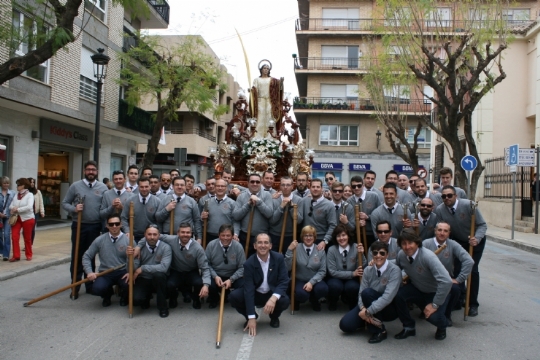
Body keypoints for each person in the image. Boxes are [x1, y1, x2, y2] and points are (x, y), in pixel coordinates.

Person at [434, 185, 487, 317]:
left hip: (474, 241)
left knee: (472, 270)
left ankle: (473, 304)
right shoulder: (440, 210)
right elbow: (443, 229)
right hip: (458, 241)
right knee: (457, 270)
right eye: (444, 196)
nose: (447, 198)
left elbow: (482, 224)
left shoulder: (469, 205)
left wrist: (477, 238)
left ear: (456, 196)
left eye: (449, 195)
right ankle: (459, 298)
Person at [393, 229, 452, 341]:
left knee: (433, 317)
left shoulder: (428, 257)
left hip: (435, 292)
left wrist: (434, 305)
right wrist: (379, 262)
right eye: (403, 243)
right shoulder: (401, 255)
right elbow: (395, 267)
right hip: (418, 289)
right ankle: (408, 326)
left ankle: (442, 326)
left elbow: (446, 281)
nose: (407, 247)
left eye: (410, 243)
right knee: (398, 295)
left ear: (417, 243)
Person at [136, 222, 210, 309]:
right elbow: (152, 236)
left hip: (191, 271)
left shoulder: (198, 248)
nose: (185, 235)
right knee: (170, 284)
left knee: (199, 283)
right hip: (176, 270)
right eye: (182, 232)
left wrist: (206, 285)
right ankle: (173, 298)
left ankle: (196, 299)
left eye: (188, 232)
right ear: (178, 233)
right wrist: (138, 246)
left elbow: (205, 268)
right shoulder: (171, 239)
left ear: (191, 233)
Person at [62, 160, 108, 298]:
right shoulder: (75, 186)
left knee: (91, 256)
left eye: (93, 169)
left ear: (97, 171)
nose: (91, 172)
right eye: (88, 169)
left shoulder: (103, 187)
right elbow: (65, 203)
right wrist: (74, 209)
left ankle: (90, 285)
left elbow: (104, 208)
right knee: (77, 255)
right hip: (79, 225)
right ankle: (75, 286)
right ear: (84, 171)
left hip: (94, 226)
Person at [339, 241, 401, 344]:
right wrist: (363, 308)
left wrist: (367, 313)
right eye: (375, 253)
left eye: (382, 253)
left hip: (388, 307)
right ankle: (367, 321)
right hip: (367, 304)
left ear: (387, 255)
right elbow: (361, 292)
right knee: (345, 325)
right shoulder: (368, 270)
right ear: (372, 255)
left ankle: (380, 331)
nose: (378, 256)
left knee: (367, 293)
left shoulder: (395, 270)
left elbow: (387, 297)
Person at [229, 233, 290, 335]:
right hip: (256, 293)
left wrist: (273, 298)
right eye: (260, 242)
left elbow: (284, 280)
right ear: (255, 246)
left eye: (266, 242)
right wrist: (251, 317)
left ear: (270, 246)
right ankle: (251, 316)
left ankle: (274, 317)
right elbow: (248, 290)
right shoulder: (248, 263)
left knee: (285, 300)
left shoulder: (279, 258)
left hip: (271, 292)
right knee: (234, 297)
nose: (263, 245)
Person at [423, 222, 473, 326]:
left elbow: (469, 261)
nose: (442, 233)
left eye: (445, 231)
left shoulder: (453, 244)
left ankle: (447, 314)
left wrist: (459, 279)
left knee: (455, 289)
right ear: (435, 231)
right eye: (440, 230)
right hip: (427, 280)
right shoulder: (426, 244)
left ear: (449, 233)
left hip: (445, 280)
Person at [82, 215, 128, 307]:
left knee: (131, 283)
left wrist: (131, 271)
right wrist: (89, 272)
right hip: (105, 272)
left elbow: (136, 259)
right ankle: (107, 295)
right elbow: (86, 256)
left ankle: (124, 296)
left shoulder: (128, 240)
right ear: (107, 226)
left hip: (123, 272)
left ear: (121, 225)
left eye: (117, 224)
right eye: (111, 224)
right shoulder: (100, 240)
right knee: (97, 288)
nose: (114, 226)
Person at [128, 224, 172, 318]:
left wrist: (143, 268)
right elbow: (134, 268)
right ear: (145, 235)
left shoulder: (166, 247)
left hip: (159, 279)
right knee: (136, 300)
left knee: (159, 276)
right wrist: (129, 258)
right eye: (149, 234)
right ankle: (146, 298)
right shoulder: (138, 249)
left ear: (159, 235)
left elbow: (164, 267)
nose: (152, 237)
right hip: (144, 278)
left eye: (155, 234)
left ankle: (163, 307)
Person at [285, 225, 328, 312]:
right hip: (300, 279)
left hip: (315, 280)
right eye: (306, 235)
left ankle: (314, 299)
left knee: (323, 289)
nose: (308, 238)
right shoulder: (296, 248)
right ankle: (297, 299)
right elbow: (287, 267)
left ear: (314, 237)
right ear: (302, 237)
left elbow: (322, 271)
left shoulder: (320, 250)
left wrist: (311, 283)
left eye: (311, 235)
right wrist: (289, 250)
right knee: (302, 295)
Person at [205, 224, 246, 308]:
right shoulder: (211, 245)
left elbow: (242, 267)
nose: (225, 238)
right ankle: (214, 298)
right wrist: (215, 276)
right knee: (208, 283)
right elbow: (206, 264)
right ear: (218, 235)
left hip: (232, 275)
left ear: (232, 236)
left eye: (228, 235)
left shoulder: (238, 247)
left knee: (244, 284)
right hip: (216, 275)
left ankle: (231, 297)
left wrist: (231, 279)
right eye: (223, 235)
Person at [326, 224, 365, 311]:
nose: (341, 238)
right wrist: (352, 273)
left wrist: (361, 254)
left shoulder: (356, 247)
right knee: (334, 286)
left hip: (352, 279)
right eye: (338, 236)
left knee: (353, 287)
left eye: (343, 235)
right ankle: (333, 301)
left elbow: (363, 265)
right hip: (336, 277)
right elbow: (332, 272)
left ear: (348, 236)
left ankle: (351, 302)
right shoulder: (331, 250)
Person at [232, 173, 273, 256]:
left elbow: (269, 214)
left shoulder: (267, 195)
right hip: (245, 236)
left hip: (262, 237)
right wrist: (247, 205)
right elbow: (236, 216)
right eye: (252, 182)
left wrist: (258, 201)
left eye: (257, 182)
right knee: (245, 261)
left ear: (261, 183)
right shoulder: (241, 196)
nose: (255, 184)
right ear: (248, 183)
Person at [299, 179, 337, 251]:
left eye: (318, 187)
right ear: (310, 188)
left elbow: (333, 225)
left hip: (321, 240)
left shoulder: (329, 205)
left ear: (322, 189)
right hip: (305, 239)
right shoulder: (304, 201)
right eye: (313, 187)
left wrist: (325, 241)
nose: (315, 189)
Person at [269, 176, 303, 253]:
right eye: (283, 185)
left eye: (288, 185)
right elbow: (272, 220)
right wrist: (281, 207)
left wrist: (291, 207)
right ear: (280, 186)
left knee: (289, 260)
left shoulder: (299, 200)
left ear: (292, 186)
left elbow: (299, 221)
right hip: (275, 235)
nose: (285, 187)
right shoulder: (274, 200)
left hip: (291, 236)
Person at [121, 177, 160, 242]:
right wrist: (127, 231)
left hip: (151, 236)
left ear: (150, 186)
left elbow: (159, 220)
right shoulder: (130, 201)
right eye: (141, 187)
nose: (144, 189)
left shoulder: (157, 202)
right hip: (133, 236)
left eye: (146, 186)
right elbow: (123, 217)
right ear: (138, 187)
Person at [200, 178, 239, 243]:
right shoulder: (207, 202)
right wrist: (202, 217)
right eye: (218, 186)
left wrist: (235, 234)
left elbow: (236, 221)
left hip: (226, 237)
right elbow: (202, 220)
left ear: (226, 188)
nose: (220, 188)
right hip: (210, 236)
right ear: (215, 187)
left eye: (222, 186)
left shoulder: (232, 203)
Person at [347, 175, 381, 248]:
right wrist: (357, 223)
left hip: (372, 233)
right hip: (357, 234)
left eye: (359, 185)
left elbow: (380, 215)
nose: (356, 188)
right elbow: (350, 220)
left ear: (363, 185)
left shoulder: (374, 196)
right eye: (354, 186)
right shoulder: (349, 201)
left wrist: (368, 217)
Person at [251, 61, 282, 138]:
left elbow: (278, 87)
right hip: (260, 101)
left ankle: (270, 137)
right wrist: (251, 90)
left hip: (269, 101)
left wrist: (281, 83)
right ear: (261, 69)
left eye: (267, 68)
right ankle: (258, 136)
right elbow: (254, 89)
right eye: (264, 68)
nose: (266, 70)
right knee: (260, 118)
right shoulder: (257, 79)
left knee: (269, 117)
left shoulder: (273, 80)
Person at [8, 178, 35, 262]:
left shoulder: (30, 195)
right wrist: (13, 208)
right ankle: (16, 256)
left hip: (28, 218)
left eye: (19, 185)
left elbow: (29, 207)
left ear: (24, 186)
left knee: (27, 238)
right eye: (17, 185)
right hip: (16, 218)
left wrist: (18, 209)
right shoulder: (16, 195)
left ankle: (29, 254)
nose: (17, 186)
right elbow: (10, 205)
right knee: (14, 236)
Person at [0, 177, 15, 261]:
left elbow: (16, 203)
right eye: (4, 183)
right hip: (0, 216)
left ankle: (6, 254)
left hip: (8, 217)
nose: (6, 185)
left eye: (7, 183)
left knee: (6, 235)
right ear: (1, 184)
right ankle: (1, 250)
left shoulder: (12, 193)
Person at [27, 177, 44, 245]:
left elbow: (41, 202)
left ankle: (30, 244)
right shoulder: (26, 192)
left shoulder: (37, 192)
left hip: (35, 213)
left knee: (32, 229)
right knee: (26, 230)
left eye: (33, 182)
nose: (32, 184)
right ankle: (27, 243)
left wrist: (42, 212)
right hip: (27, 213)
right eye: (31, 182)